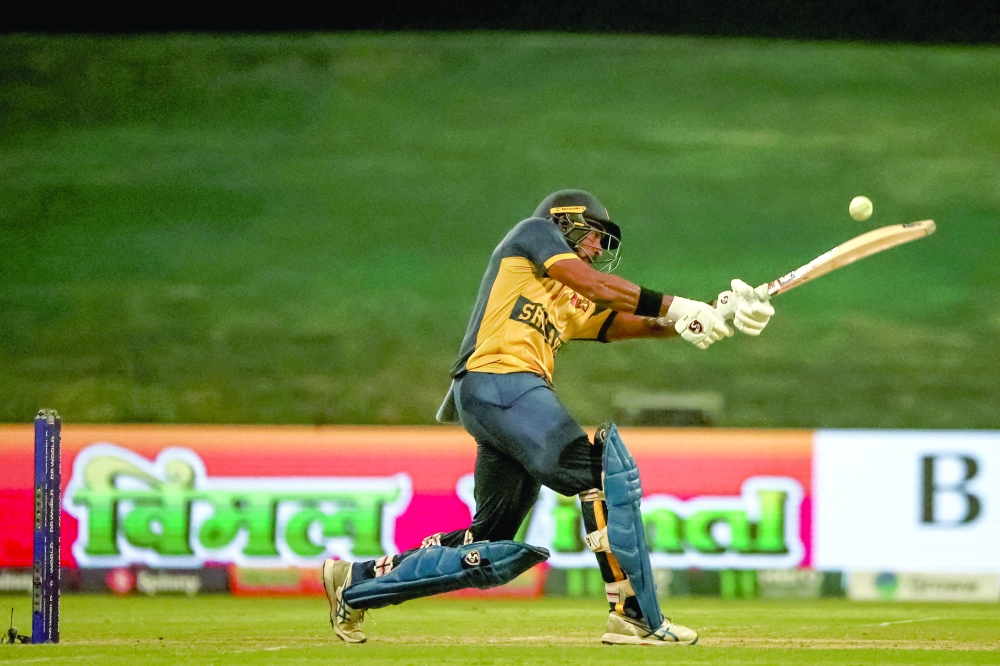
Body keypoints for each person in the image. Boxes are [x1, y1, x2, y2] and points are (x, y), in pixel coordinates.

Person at [322, 189, 775, 646]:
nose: (598, 247)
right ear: (564, 220)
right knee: (602, 474)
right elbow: (601, 288)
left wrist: (711, 311)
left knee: (487, 543)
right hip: (501, 380)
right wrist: (678, 306)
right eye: (593, 234)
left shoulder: (571, 296)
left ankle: (357, 581)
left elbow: (637, 322)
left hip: (494, 399)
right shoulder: (534, 233)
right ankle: (633, 614)